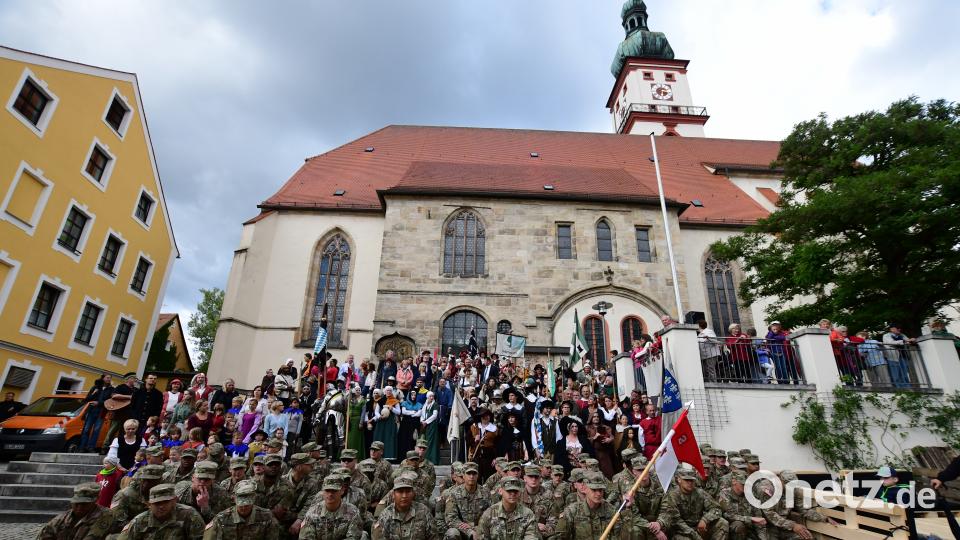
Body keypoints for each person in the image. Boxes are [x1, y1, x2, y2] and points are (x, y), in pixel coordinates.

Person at [651, 463, 728, 539]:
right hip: (681, 531)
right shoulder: (672, 495)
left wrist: (705, 520)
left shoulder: (700, 493)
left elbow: (716, 508)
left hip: (698, 525)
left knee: (722, 522)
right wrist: (695, 535)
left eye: (692, 480)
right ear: (679, 480)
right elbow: (676, 521)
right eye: (686, 480)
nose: (690, 483)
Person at [116, 483, 205, 539]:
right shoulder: (139, 521)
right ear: (149, 505)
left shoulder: (189, 515)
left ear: (174, 501)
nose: (161, 506)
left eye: (165, 502)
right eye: (157, 503)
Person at [202, 479, 280, 540]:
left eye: (247, 504)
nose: (243, 507)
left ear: (254, 498)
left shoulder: (267, 517)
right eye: (241, 504)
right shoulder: (221, 519)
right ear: (234, 499)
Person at [38, 482, 113, 540]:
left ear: (94, 502)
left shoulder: (107, 516)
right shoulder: (62, 519)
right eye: (76, 503)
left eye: (84, 504)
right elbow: (45, 535)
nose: (79, 507)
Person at [297, 476, 365, 540]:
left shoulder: (353, 512)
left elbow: (353, 538)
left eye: (334, 491)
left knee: (364, 535)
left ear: (342, 491)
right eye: (327, 490)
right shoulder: (312, 512)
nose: (330, 494)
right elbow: (306, 538)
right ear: (322, 491)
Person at [556, 472, 620, 539]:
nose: (598, 494)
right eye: (594, 490)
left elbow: (619, 535)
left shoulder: (611, 511)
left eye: (600, 490)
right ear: (585, 489)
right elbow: (560, 537)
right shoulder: (572, 512)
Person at [372, 474, 436, 540]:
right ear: (393, 494)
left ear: (413, 494)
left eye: (408, 491)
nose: (404, 496)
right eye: (400, 492)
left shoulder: (424, 512)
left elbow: (434, 537)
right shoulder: (385, 516)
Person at [80, 375, 110, 453]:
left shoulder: (111, 389)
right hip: (91, 411)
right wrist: (93, 393)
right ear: (103, 378)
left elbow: (109, 401)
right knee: (86, 429)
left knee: (96, 430)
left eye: (110, 378)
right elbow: (87, 399)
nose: (109, 379)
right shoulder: (95, 387)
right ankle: (82, 447)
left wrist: (99, 403)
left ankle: (91, 447)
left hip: (101, 412)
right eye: (107, 377)